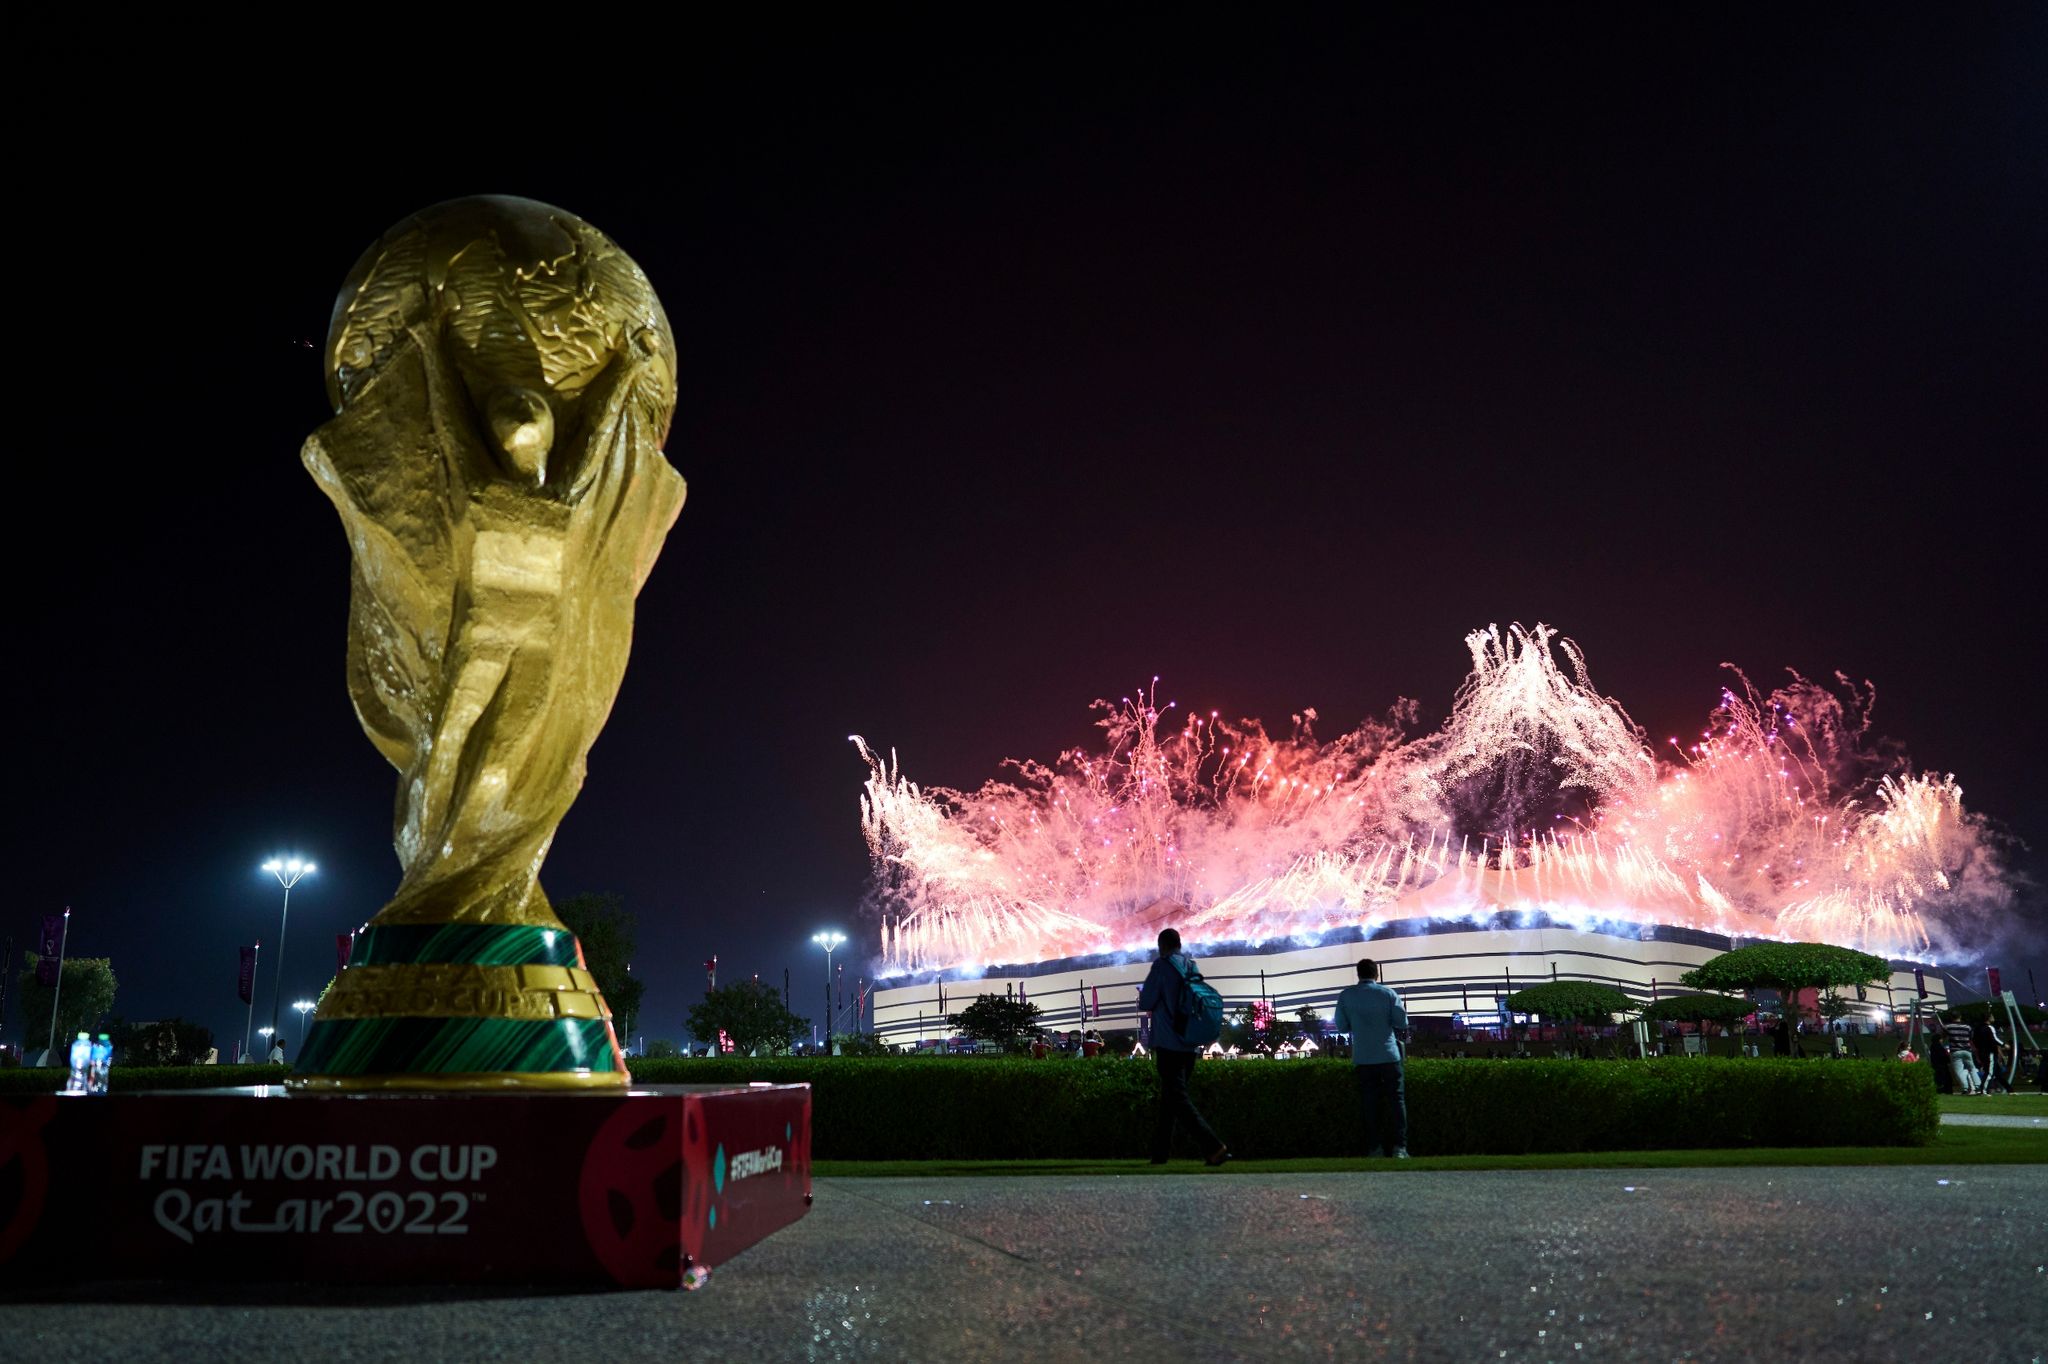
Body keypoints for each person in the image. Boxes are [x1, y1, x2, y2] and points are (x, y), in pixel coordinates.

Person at [1137, 928, 1230, 1166]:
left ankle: (1214, 1146)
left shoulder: (1162, 966)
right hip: (1190, 1044)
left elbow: (1147, 1001)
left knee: (1177, 1099)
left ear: (1162, 946)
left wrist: (1146, 996)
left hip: (1168, 1043)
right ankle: (1159, 1155)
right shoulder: (1191, 966)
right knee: (1170, 1100)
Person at [1334, 958, 1410, 1158]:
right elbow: (1402, 1022)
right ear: (1377, 974)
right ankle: (1399, 1148)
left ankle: (1374, 1148)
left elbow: (1341, 1027)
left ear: (1358, 974)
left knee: (1370, 1104)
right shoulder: (1388, 994)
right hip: (1388, 1055)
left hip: (1364, 1058)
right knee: (1396, 1102)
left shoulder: (1346, 996)